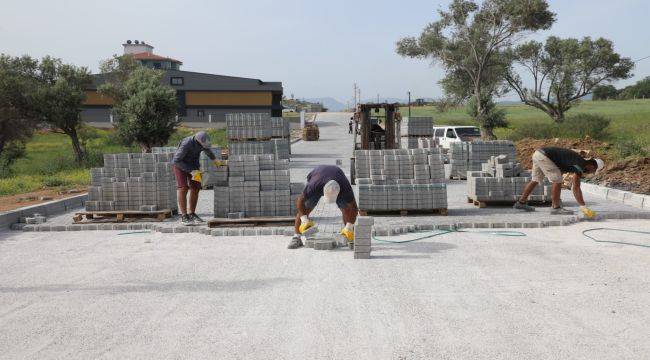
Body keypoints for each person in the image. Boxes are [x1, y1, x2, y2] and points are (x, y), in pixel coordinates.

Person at [513, 147, 604, 217]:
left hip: (538, 154)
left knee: (535, 180)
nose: (589, 173)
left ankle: (521, 203)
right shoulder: (580, 164)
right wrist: (583, 206)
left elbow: (560, 168)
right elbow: (576, 187)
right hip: (545, 156)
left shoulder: (578, 162)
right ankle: (555, 208)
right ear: (592, 166)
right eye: (592, 171)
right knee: (558, 180)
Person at [288, 165, 359, 249]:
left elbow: (354, 208)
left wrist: (349, 226)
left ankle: (348, 235)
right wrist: (304, 220)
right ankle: (296, 237)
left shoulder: (345, 188)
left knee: (346, 209)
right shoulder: (314, 185)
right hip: (318, 177)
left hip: (337, 179)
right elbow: (300, 201)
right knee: (305, 209)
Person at [172, 131, 225, 225]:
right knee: (183, 188)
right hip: (180, 165)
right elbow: (176, 160)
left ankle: (191, 213)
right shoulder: (186, 143)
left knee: (196, 187)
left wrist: (215, 159)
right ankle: (184, 216)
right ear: (198, 141)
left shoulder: (202, 143)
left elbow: (207, 150)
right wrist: (191, 171)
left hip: (193, 165)